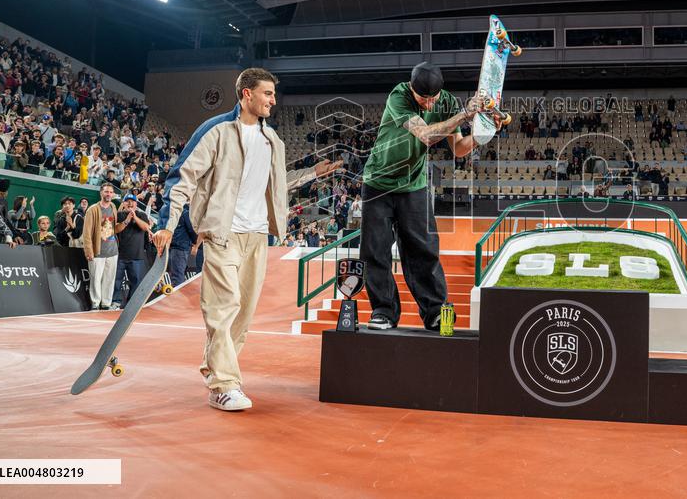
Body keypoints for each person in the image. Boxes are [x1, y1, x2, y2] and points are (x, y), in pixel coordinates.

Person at [152, 68, 340, 412]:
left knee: (243, 314)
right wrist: (167, 223)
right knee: (222, 306)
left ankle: (215, 367)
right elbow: (182, 177)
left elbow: (278, 183)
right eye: (267, 93)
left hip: (257, 236)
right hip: (221, 233)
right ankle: (224, 385)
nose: (273, 100)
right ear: (246, 94)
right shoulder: (216, 130)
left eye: (273, 94)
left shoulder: (273, 141)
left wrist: (313, 173)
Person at [360, 62, 496, 331]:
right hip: (378, 184)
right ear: (412, 89)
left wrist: (483, 134)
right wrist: (465, 115)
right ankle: (383, 311)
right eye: (424, 99)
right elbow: (425, 134)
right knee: (375, 251)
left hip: (414, 185)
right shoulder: (399, 96)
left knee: (424, 249)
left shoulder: (446, 102)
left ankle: (435, 312)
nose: (431, 104)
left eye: (434, 98)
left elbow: (459, 149)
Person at [82, 184, 119, 310]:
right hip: (97, 251)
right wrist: (88, 250)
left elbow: (114, 228)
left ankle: (106, 304)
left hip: (113, 250)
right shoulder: (92, 209)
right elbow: (86, 233)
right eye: (106, 192)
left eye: (111, 192)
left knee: (109, 279)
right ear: (101, 193)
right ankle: (95, 303)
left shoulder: (113, 207)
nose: (109, 194)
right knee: (95, 279)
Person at [111, 194, 151, 309]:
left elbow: (146, 228)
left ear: (136, 204)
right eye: (127, 201)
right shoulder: (119, 215)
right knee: (116, 281)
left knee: (136, 282)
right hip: (119, 254)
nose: (130, 203)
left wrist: (135, 217)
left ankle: (131, 304)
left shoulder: (142, 215)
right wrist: (127, 220)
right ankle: (115, 302)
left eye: (132, 201)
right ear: (123, 204)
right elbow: (115, 229)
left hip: (137, 255)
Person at [167, 208, 203, 288]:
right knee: (179, 277)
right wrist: (196, 244)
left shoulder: (169, 210)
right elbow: (192, 230)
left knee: (178, 275)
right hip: (181, 247)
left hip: (177, 247)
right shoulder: (185, 213)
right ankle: (178, 295)